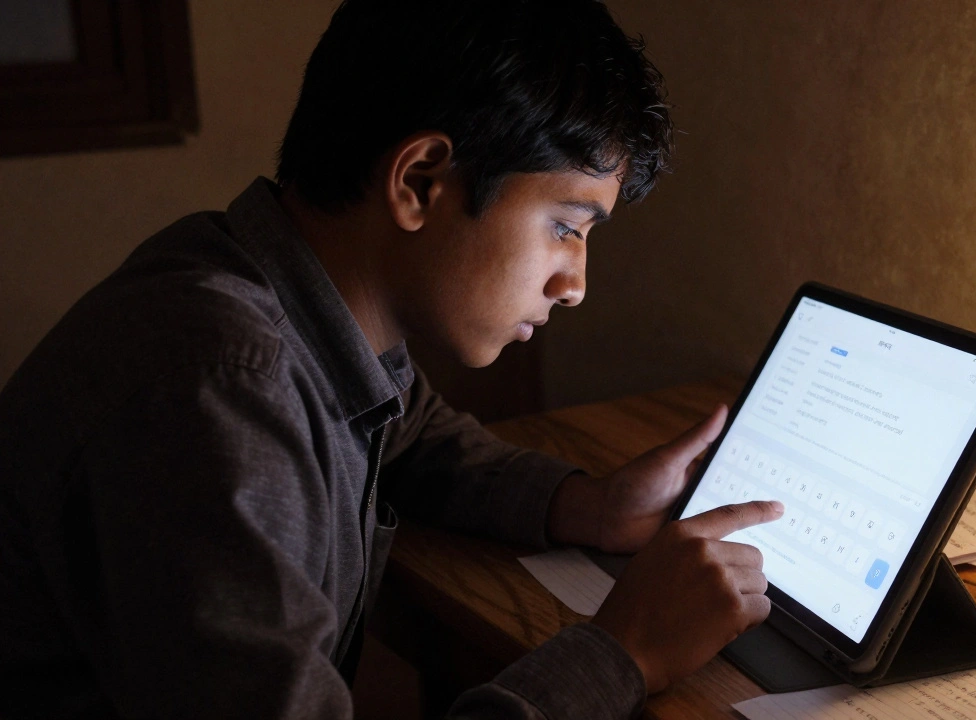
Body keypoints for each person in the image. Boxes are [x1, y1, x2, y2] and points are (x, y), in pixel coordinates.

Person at [0, 1, 784, 718]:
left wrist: (591, 506)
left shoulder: (281, 294)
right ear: (419, 181)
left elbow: (410, 431)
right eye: (566, 227)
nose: (574, 284)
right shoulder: (218, 391)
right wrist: (624, 652)